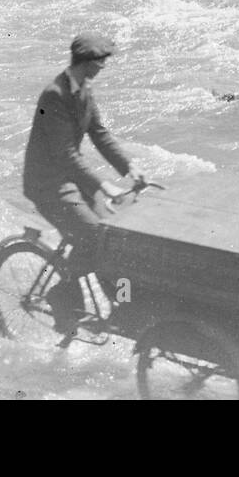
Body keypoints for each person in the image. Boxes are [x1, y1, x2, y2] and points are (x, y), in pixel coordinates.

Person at [22, 34, 146, 322]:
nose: (104, 66)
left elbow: (100, 134)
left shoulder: (83, 90)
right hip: (47, 184)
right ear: (86, 63)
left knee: (113, 234)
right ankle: (61, 295)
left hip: (70, 181)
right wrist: (103, 185)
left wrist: (129, 168)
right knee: (93, 237)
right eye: (100, 61)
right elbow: (65, 154)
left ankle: (122, 305)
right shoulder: (54, 95)